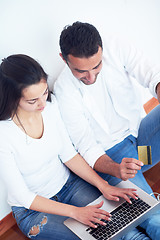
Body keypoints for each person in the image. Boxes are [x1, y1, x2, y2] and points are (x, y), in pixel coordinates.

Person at [0, 54, 144, 240]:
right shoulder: (4, 135)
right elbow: (22, 196)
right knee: (100, 235)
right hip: (32, 211)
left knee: (124, 229)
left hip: (70, 186)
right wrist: (76, 212)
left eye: (44, 92)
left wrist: (104, 185)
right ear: (13, 99)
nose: (43, 103)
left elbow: (69, 154)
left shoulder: (50, 109)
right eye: (32, 101)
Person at [54, 21, 160, 239]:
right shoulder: (64, 91)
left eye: (96, 66)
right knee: (151, 215)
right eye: (81, 72)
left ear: (102, 50)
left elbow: (152, 75)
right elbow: (87, 147)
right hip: (115, 159)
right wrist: (115, 169)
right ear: (63, 59)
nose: (91, 77)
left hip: (142, 148)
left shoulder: (116, 46)